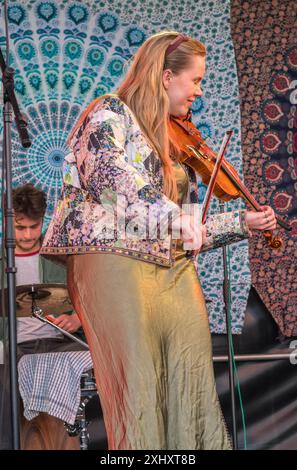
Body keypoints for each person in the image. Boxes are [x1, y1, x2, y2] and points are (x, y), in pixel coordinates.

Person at [41, 31, 276, 450]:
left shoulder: (170, 139)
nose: (199, 93)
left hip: (174, 271)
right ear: (167, 76)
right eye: (196, 80)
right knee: (141, 391)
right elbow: (114, 180)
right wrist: (173, 217)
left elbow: (184, 228)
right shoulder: (108, 112)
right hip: (115, 263)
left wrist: (242, 222)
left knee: (192, 385)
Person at [0, 184, 86, 449]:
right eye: (20, 227)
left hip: (60, 341)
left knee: (93, 359)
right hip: (17, 347)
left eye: (34, 227)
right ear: (6, 221)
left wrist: (76, 319)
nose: (27, 235)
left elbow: (90, 293)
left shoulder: (58, 254)